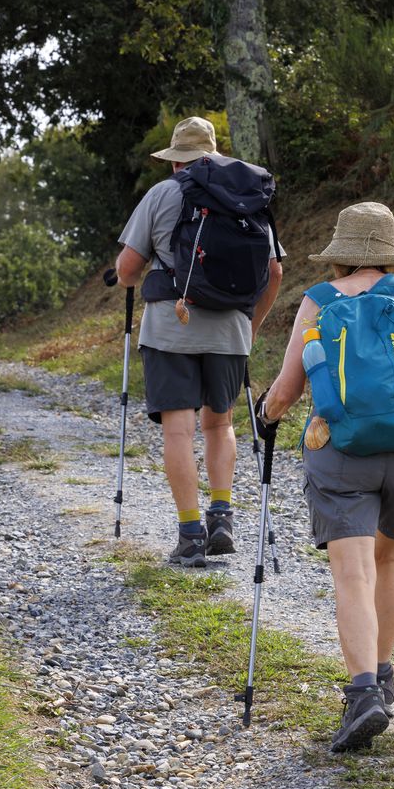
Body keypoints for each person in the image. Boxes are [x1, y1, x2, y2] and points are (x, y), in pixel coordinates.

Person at [257, 202, 394, 753]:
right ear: (391, 251)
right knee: (391, 557)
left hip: (340, 446)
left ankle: (362, 695)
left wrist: (266, 415)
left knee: (352, 571)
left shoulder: (318, 300)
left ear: (340, 254)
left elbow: (287, 390)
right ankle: (382, 673)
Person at [114, 116, 283, 567]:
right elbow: (274, 272)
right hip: (230, 333)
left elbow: (128, 270)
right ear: (212, 154)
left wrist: (129, 273)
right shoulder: (245, 194)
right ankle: (222, 516)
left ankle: (190, 535)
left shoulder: (162, 194)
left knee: (178, 430)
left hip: (170, 328)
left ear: (176, 160)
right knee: (219, 425)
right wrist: (250, 327)